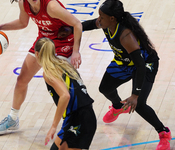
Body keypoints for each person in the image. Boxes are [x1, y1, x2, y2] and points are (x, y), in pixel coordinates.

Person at [60, 0, 172, 149]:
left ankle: (163, 132)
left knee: (139, 105)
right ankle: (118, 107)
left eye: (101, 17)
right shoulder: (105, 23)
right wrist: (70, 29)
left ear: (112, 18)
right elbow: (86, 25)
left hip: (144, 64)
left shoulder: (125, 35)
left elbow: (139, 66)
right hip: (123, 61)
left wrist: (135, 95)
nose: (98, 20)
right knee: (105, 88)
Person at [0, 0, 82, 134]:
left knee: (60, 87)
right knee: (21, 80)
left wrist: (76, 51)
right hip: (44, 40)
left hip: (63, 43)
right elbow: (22, 22)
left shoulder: (51, 6)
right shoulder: (24, 4)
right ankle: (13, 119)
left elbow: (77, 24)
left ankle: (73, 122)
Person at [34, 37, 96, 150]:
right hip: (86, 114)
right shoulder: (64, 63)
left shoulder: (48, 72)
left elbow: (65, 96)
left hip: (78, 118)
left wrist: (53, 126)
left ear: (37, 54)